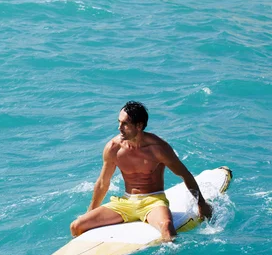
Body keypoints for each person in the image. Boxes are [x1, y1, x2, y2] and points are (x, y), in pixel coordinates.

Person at [70, 101, 213, 241]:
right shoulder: (113, 148)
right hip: (125, 202)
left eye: (125, 124)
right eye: (119, 122)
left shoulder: (158, 148)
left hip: (153, 201)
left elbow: (184, 174)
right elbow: (102, 183)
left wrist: (201, 203)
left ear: (139, 126)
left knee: (167, 227)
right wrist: (91, 212)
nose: (119, 128)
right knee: (76, 226)